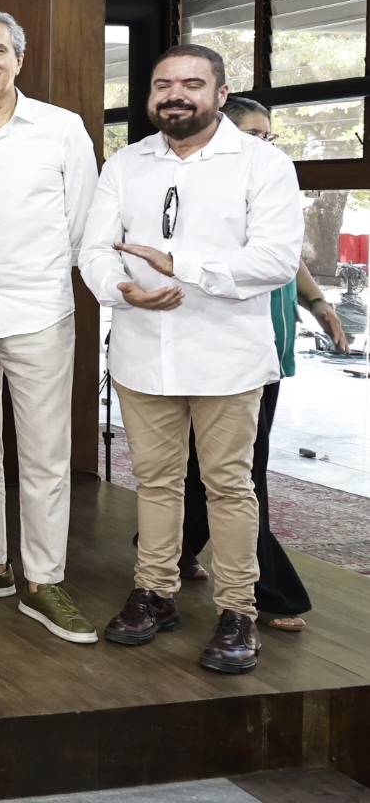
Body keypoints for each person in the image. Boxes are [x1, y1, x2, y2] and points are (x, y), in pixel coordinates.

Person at [80, 44, 302, 674]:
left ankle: (238, 612)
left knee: (229, 486)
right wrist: (122, 289)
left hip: (226, 355)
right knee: (154, 482)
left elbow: (277, 260)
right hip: (142, 351)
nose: (174, 94)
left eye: (191, 84)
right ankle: (155, 593)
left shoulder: (261, 164)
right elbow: (94, 248)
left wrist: (181, 266)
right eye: (162, 85)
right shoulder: (126, 164)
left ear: (220, 94)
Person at [0, 11, 101, 645]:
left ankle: (44, 578)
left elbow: (84, 226)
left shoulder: (62, 130)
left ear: (18, 59)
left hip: (39, 312)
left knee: (44, 452)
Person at [177, 94, 346, 634]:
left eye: (269, 135)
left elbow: (287, 256)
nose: (265, 144)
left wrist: (318, 303)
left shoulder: (267, 184)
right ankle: (266, 592)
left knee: (217, 470)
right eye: (254, 133)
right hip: (221, 352)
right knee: (242, 477)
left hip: (268, 353)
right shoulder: (214, 190)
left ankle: (173, 548)